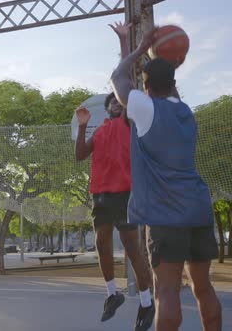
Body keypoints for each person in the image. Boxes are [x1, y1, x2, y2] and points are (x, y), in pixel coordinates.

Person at [110, 28, 222, 331]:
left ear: (145, 87)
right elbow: (159, 86)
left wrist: (139, 48)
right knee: (204, 288)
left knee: (167, 290)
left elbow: (119, 77)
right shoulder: (185, 112)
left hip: (166, 214)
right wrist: (161, 60)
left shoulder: (145, 109)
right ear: (174, 84)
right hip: (198, 209)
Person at [74, 21, 155, 331]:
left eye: (117, 101)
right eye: (110, 102)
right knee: (101, 242)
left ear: (122, 107)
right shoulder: (101, 131)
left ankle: (147, 302)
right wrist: (82, 126)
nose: (114, 102)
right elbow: (80, 155)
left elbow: (125, 77)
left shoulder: (129, 124)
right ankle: (112, 294)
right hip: (101, 195)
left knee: (132, 247)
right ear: (106, 110)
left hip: (125, 194)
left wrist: (124, 43)